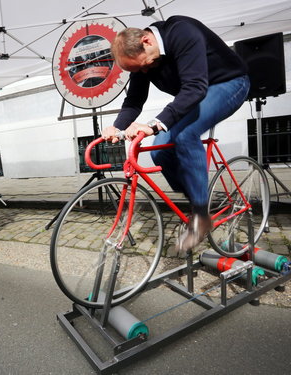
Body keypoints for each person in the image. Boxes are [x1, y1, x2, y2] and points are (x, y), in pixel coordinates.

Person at [102, 15, 250, 256]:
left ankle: (202, 217)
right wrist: (117, 128)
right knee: (160, 151)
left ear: (147, 40)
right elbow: (134, 100)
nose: (146, 70)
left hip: (229, 83)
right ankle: (195, 200)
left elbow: (195, 87)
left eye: (145, 65)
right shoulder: (141, 58)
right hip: (196, 92)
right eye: (140, 69)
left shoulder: (182, 32)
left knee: (184, 135)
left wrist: (153, 124)